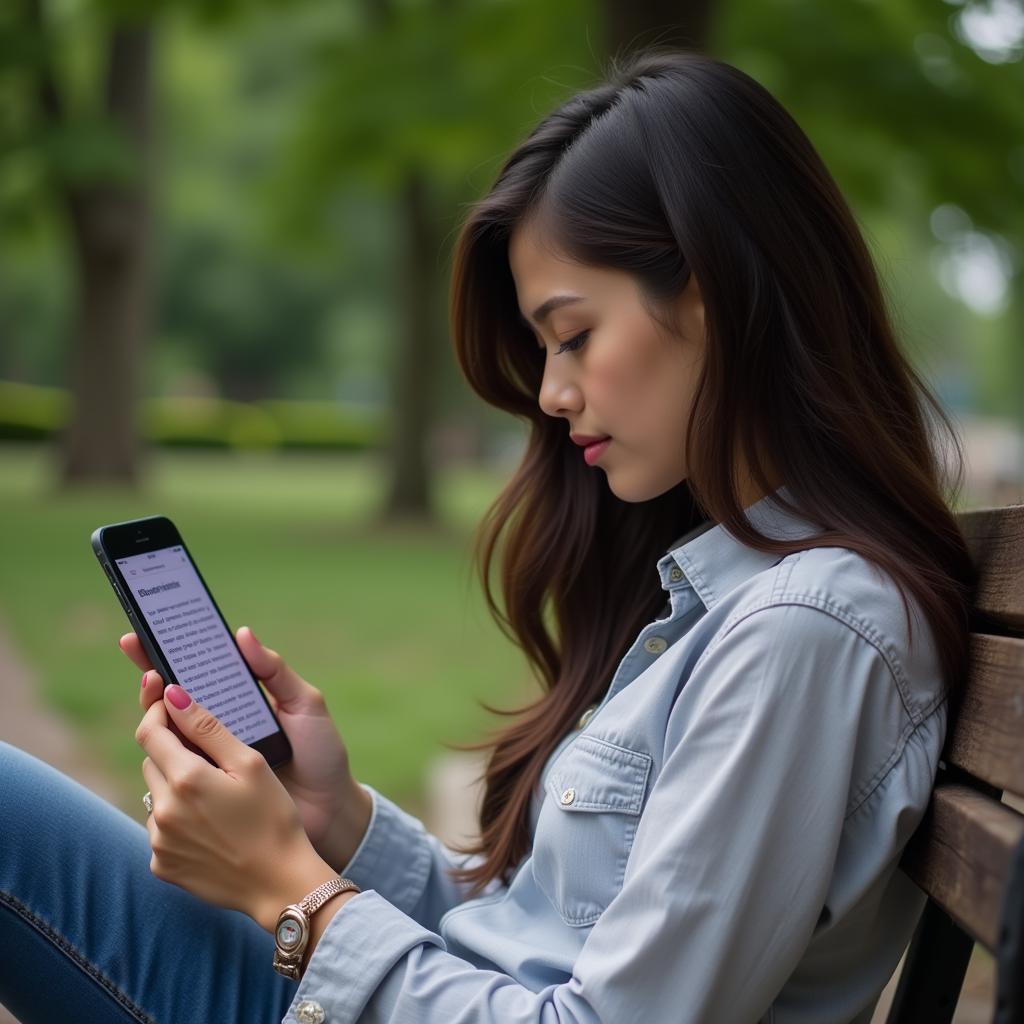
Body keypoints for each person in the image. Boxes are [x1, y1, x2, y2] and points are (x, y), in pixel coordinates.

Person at [0, 47, 976, 1024]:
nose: (551, 394)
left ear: (712, 293)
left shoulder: (805, 630)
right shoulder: (727, 597)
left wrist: (286, 887)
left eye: (574, 334)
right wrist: (333, 821)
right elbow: (526, 940)